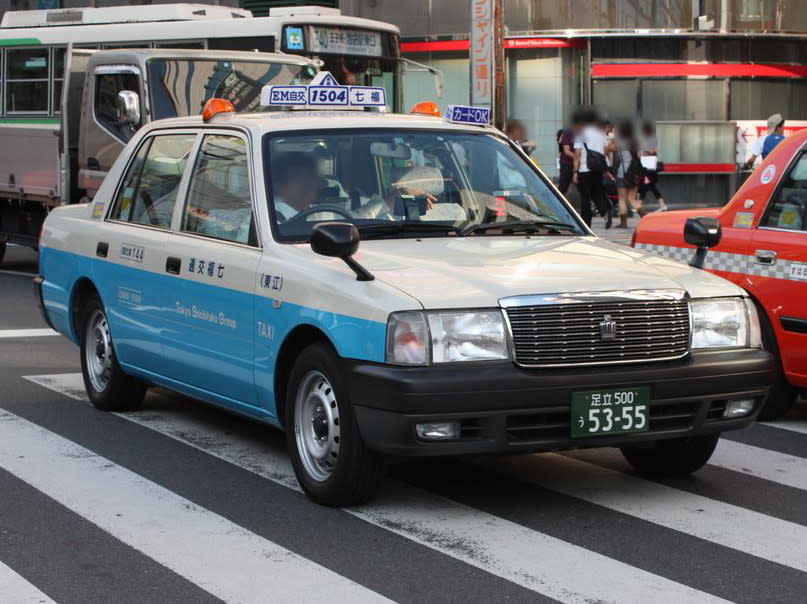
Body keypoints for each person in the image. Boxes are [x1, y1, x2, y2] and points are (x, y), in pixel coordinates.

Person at [573, 108, 614, 227]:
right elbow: (606, 150)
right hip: (597, 170)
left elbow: (577, 154)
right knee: (597, 193)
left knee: (585, 196)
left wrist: (575, 171)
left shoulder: (581, 134)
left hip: (584, 170)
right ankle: (605, 210)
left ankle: (586, 222)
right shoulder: (601, 134)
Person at [614, 120, 646, 229]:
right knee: (632, 199)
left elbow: (608, 147)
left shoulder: (620, 141)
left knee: (622, 199)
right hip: (635, 173)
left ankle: (623, 223)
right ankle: (646, 218)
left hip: (623, 173)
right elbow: (640, 156)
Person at [639, 120, 668, 213]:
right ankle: (662, 205)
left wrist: (644, 149)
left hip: (649, 165)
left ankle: (639, 205)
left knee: (645, 184)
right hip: (646, 164)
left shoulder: (650, 139)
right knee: (650, 185)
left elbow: (653, 151)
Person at [556, 119, 577, 195]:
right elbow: (566, 150)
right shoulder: (568, 133)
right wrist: (578, 158)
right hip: (567, 164)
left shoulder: (582, 134)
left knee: (583, 187)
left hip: (578, 165)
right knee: (563, 187)